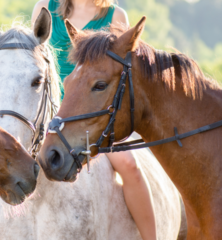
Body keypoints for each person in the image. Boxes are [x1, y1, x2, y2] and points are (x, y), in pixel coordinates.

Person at [31, 1, 157, 240]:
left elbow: (121, 73)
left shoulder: (115, 15)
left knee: (129, 166)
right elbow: (35, 63)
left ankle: (152, 237)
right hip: (50, 107)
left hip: (94, 111)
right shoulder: (45, 8)